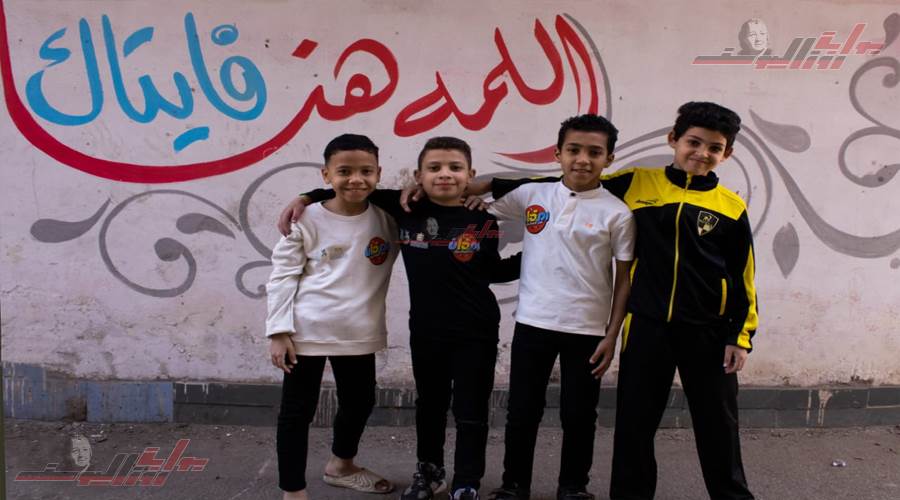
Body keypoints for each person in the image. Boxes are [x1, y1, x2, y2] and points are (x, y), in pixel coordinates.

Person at [489, 102, 758, 500]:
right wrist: (481, 187)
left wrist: (740, 336)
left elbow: (743, 276)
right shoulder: (636, 183)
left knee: (718, 423)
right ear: (674, 140)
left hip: (708, 332)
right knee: (635, 425)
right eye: (693, 142)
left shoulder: (731, 206)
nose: (702, 153)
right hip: (647, 327)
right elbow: (572, 180)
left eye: (714, 148)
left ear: (727, 153)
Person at [279, 136, 522, 500]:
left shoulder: (483, 217)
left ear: (470, 175)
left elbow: (492, 270)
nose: (445, 174)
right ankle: (430, 473)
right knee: (430, 406)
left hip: (477, 330)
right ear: (417, 176)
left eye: (455, 168)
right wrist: (305, 197)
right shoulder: (404, 208)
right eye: (434, 168)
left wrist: (537, 255)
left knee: (471, 410)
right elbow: (350, 187)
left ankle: (466, 482)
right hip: (426, 331)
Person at [456, 114, 635, 500]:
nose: (582, 159)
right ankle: (514, 485)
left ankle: (573, 487)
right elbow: (476, 204)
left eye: (594, 152)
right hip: (533, 323)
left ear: (609, 159)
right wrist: (472, 199)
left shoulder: (617, 213)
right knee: (522, 411)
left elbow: (623, 280)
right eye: (574, 150)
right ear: (558, 154)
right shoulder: (533, 195)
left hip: (587, 330)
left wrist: (612, 334)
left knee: (579, 414)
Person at [267, 133, 398, 500]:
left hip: (359, 331)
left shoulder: (389, 218)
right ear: (326, 175)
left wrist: (307, 193)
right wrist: (278, 331)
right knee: (297, 412)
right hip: (305, 332)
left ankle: (341, 466)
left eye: (366, 171)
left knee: (360, 403)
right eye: (344, 171)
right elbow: (282, 275)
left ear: (378, 173)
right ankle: (293, 491)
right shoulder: (306, 218)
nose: (355, 179)